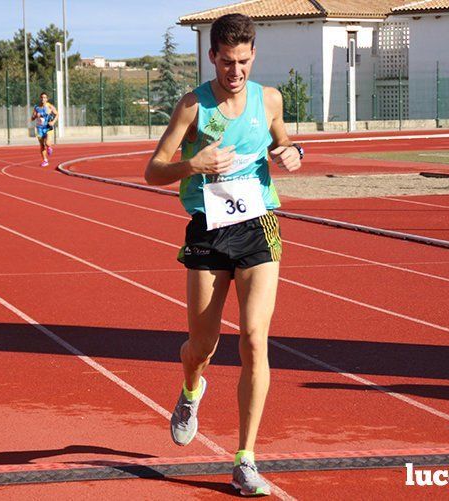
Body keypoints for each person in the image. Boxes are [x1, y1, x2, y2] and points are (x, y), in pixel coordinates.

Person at [144, 13, 302, 497]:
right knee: (203, 347)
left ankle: (246, 458)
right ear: (212, 56)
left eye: (245, 61)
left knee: (255, 339)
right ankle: (192, 389)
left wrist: (293, 152)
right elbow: (153, 170)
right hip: (208, 230)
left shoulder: (269, 98)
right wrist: (192, 164)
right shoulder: (192, 105)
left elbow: (283, 140)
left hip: (258, 225)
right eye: (228, 61)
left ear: (253, 56)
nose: (237, 71)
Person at [31, 92, 58, 167]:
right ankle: (45, 160)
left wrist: (53, 122)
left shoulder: (49, 106)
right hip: (40, 128)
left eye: (44, 97)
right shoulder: (37, 107)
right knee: (42, 145)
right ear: (40, 98)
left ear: (47, 99)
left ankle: (49, 147)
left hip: (48, 127)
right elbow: (32, 118)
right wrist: (36, 116)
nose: (43, 99)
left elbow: (57, 114)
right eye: (42, 97)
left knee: (47, 143)